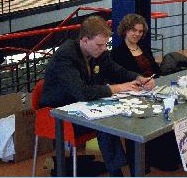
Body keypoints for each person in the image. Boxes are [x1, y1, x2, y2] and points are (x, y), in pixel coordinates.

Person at [40, 16, 155, 177]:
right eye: (100, 45)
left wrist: (137, 77)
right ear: (85, 40)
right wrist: (117, 88)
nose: (103, 49)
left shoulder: (97, 52)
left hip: (81, 106)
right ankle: (116, 173)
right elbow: (82, 92)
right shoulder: (66, 56)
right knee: (107, 124)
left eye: (105, 44)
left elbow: (116, 69)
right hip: (57, 113)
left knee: (117, 118)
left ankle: (125, 169)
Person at [111, 14, 187, 172]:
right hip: (136, 94)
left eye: (140, 31)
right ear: (125, 31)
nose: (137, 34)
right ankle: (165, 157)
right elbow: (120, 76)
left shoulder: (144, 47)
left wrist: (156, 79)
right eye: (133, 30)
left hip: (155, 89)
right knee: (166, 115)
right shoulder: (117, 53)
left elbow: (155, 70)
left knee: (186, 109)